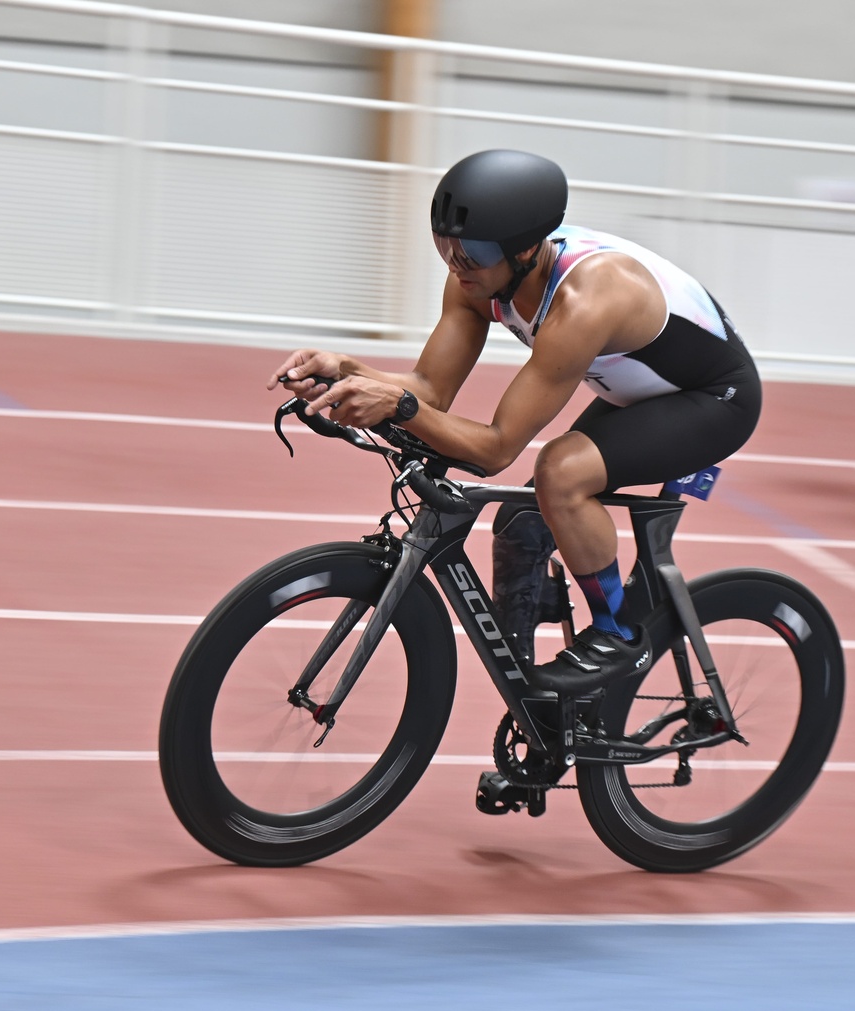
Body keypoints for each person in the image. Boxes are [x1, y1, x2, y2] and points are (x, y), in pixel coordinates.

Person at [266, 148, 761, 696]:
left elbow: (495, 449)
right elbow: (431, 388)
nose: (455, 264)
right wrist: (348, 371)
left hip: (714, 399)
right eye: (444, 247)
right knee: (520, 525)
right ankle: (539, 705)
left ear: (526, 249)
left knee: (561, 472)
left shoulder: (583, 300)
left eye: (471, 253)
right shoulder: (478, 278)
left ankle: (617, 632)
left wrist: (399, 409)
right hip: (638, 392)